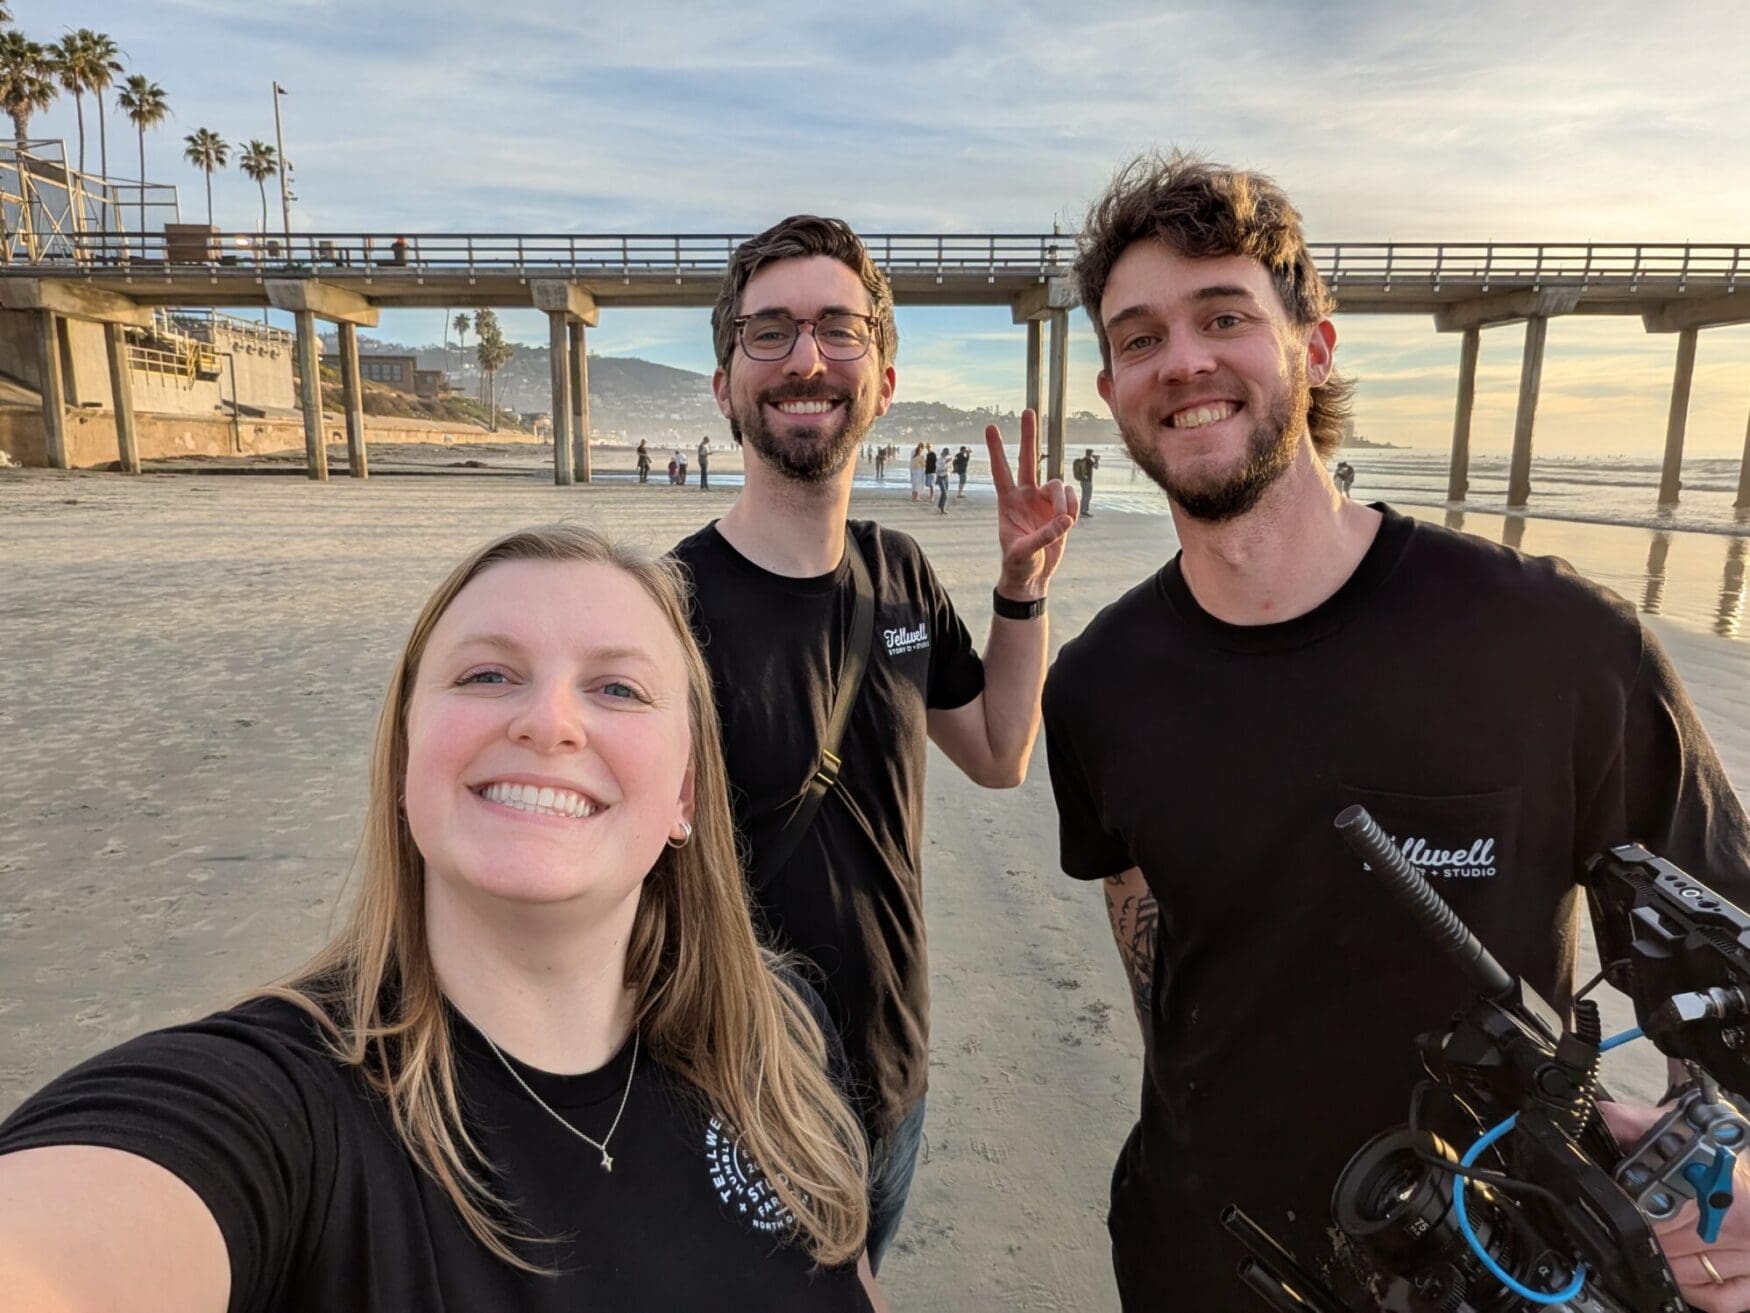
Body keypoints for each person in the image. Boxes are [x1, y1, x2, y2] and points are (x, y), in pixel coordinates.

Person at [1040, 150, 1750, 1312]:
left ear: (1313, 348)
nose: (1183, 360)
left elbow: (1716, 934)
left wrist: (1721, 1168)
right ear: (1114, 389)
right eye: (1138, 337)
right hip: (1192, 1253)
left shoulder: (1556, 645)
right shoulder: (1098, 684)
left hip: (1489, 1262)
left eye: (1224, 314)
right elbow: (1149, 923)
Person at [0, 525, 885, 1312]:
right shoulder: (286, 1110)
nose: (549, 722)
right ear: (404, 759)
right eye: (487, 674)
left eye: (617, 688)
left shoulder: (775, 1036)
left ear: (685, 793)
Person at [672, 214, 1077, 1271]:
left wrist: (1021, 593)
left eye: (838, 330)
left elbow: (997, 749)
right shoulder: (664, 609)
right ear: (724, 386)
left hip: (896, 1081)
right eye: (769, 333)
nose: (806, 358)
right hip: (736, 1096)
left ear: (882, 382)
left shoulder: (897, 571)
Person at [1072, 448, 1099, 517]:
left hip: (1083, 481)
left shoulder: (1084, 460)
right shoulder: (1088, 461)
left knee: (1085, 496)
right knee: (1087, 496)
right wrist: (1096, 460)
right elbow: (1096, 467)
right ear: (1091, 454)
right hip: (1087, 481)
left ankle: (1082, 510)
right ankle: (1083, 511)